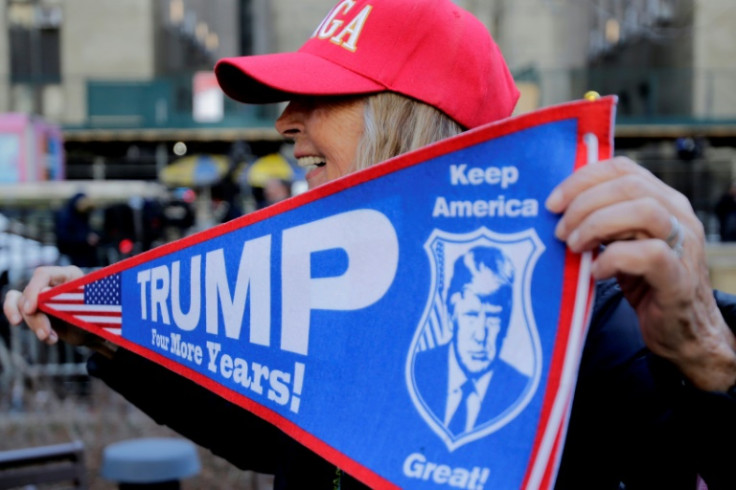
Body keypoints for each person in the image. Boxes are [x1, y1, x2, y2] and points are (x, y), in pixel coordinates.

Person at [5, 0, 736, 488]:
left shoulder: (597, 309)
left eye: (322, 97)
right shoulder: (337, 285)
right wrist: (107, 330)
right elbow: (271, 437)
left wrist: (706, 354)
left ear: (411, 120)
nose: (287, 124)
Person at [413, 246, 530, 437]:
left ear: (506, 323)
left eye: (493, 317)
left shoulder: (522, 390)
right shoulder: (415, 371)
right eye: (471, 315)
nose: (481, 335)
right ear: (451, 314)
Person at [54, 192, 100, 268]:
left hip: (85, 258)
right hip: (71, 258)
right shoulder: (65, 216)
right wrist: (85, 239)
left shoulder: (83, 216)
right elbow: (63, 238)